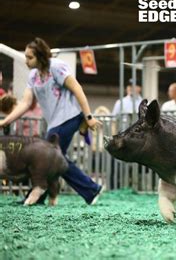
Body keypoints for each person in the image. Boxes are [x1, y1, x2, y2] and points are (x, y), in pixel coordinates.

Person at [0, 37, 103, 205]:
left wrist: (89, 117)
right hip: (55, 121)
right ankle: (88, 189)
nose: (25, 60)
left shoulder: (57, 67)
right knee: (56, 157)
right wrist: (6, 121)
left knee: (51, 157)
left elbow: (77, 88)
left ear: (40, 56)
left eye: (29, 57)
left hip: (70, 115)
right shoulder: (33, 75)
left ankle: (89, 189)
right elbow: (25, 103)